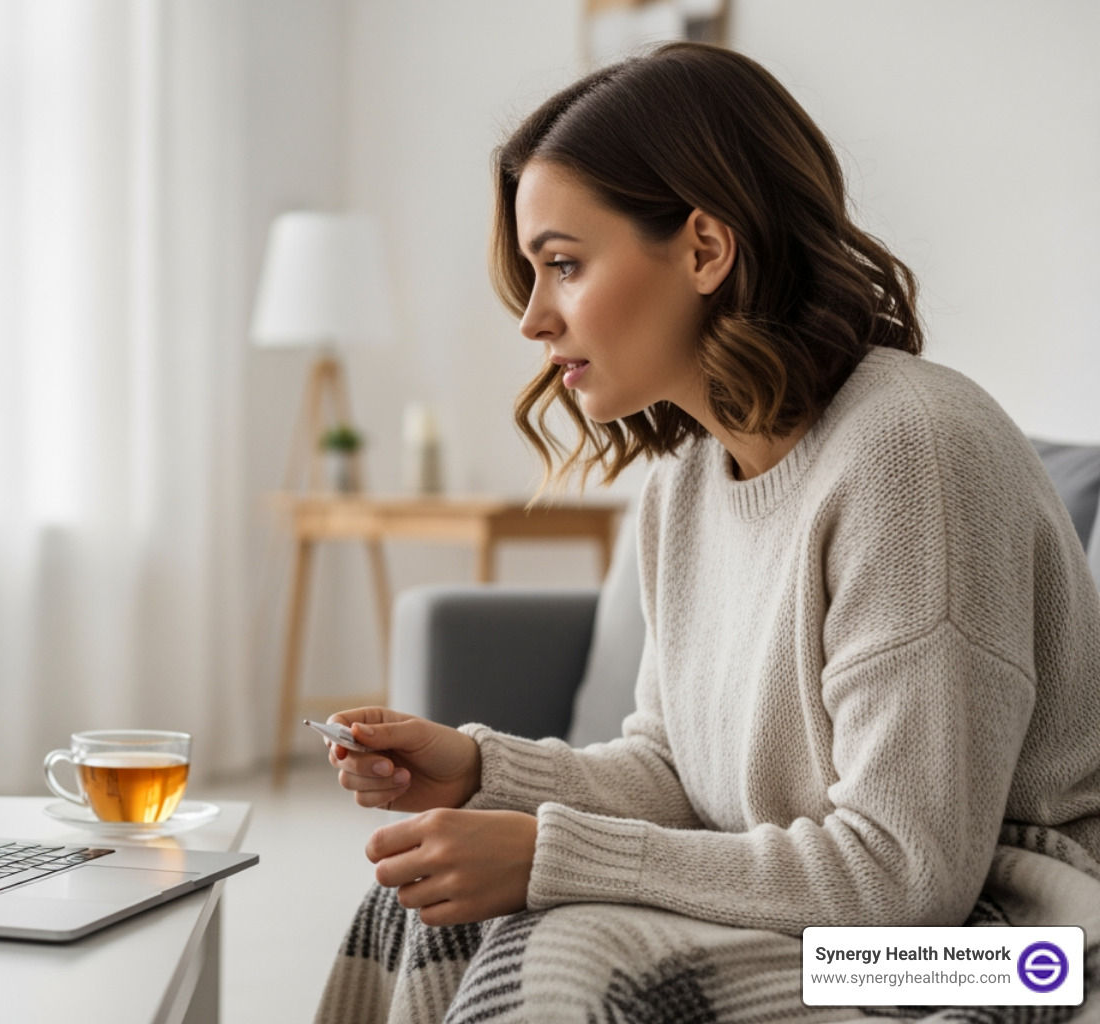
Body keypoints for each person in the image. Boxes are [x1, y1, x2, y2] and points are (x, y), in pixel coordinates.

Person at [315, 42, 1100, 1023]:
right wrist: (483, 773)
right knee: (422, 912)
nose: (532, 318)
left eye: (563, 263)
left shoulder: (912, 450)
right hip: (873, 915)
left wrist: (548, 857)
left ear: (703, 248)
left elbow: (906, 876)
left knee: (585, 950)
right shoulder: (688, 481)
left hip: (1015, 947)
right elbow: (677, 775)